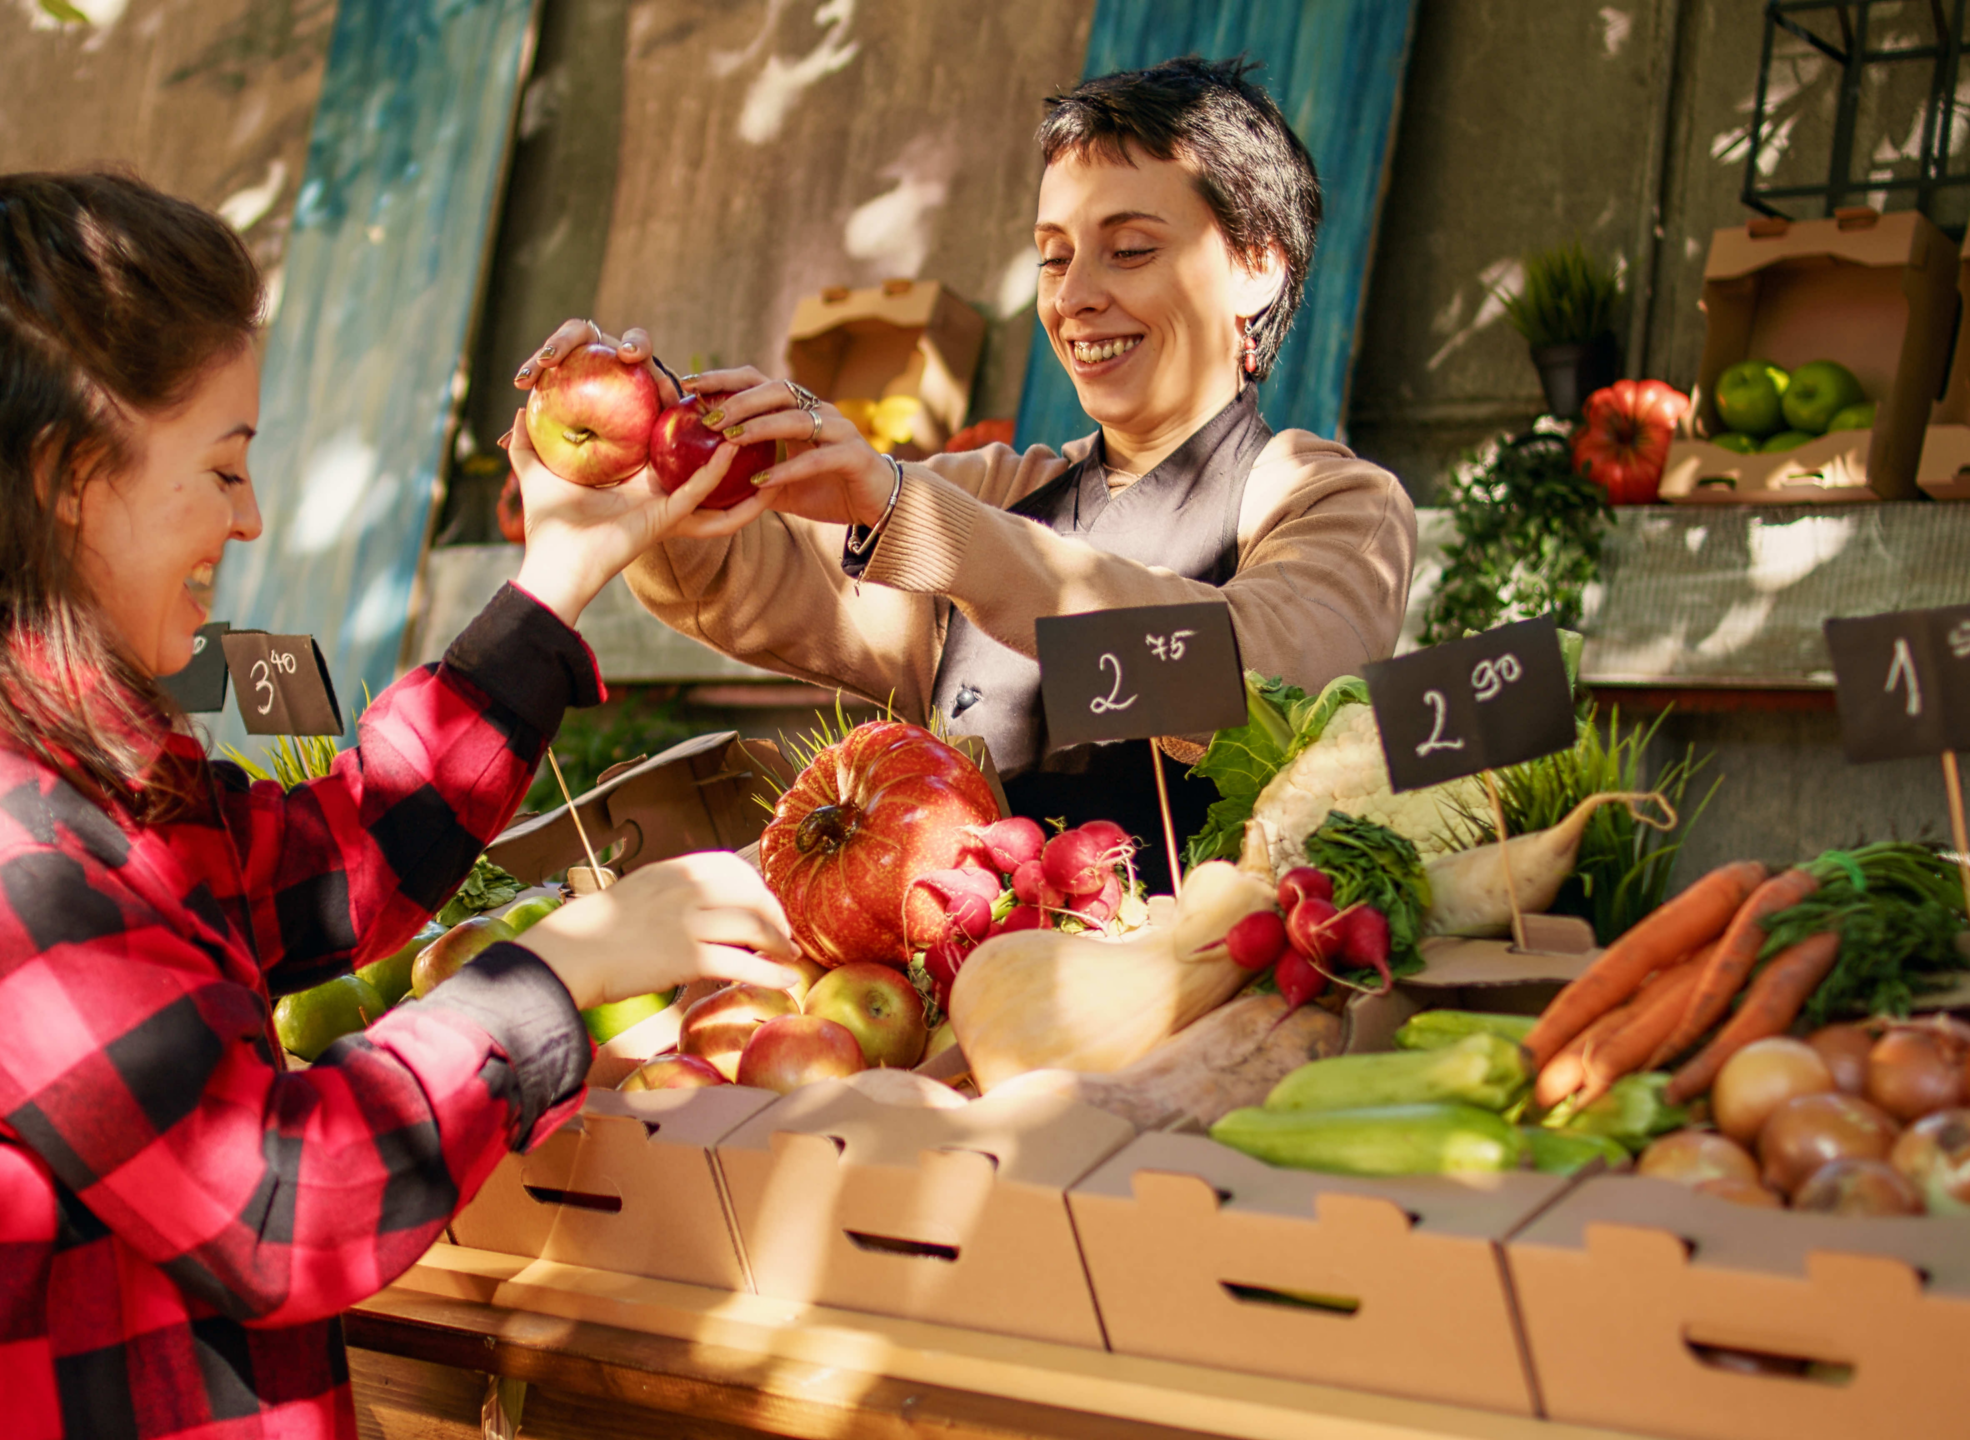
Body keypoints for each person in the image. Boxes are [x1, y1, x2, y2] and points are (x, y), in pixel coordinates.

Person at [0, 168, 792, 1440]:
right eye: (221, 470)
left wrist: (561, 569)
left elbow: (330, 868)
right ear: (67, 476)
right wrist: (553, 970)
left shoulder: (24, 753)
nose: (251, 516)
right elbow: (281, 1207)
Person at [516, 58, 1416, 879]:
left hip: (1184, 1006)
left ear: (1257, 266)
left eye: (1130, 249)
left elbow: (1265, 684)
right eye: (1054, 256)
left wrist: (933, 529)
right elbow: (754, 583)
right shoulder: (1003, 487)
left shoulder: (1324, 499)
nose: (1074, 297)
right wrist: (642, 460)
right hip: (957, 1019)